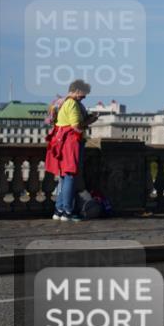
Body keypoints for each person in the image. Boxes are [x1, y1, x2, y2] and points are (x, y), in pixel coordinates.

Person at [46, 80, 97, 222]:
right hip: (71, 143)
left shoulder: (61, 102)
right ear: (77, 91)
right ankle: (67, 212)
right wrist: (91, 120)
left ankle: (59, 210)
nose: (84, 97)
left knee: (64, 177)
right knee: (70, 177)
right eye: (83, 94)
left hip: (61, 142)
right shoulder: (72, 104)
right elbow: (76, 126)